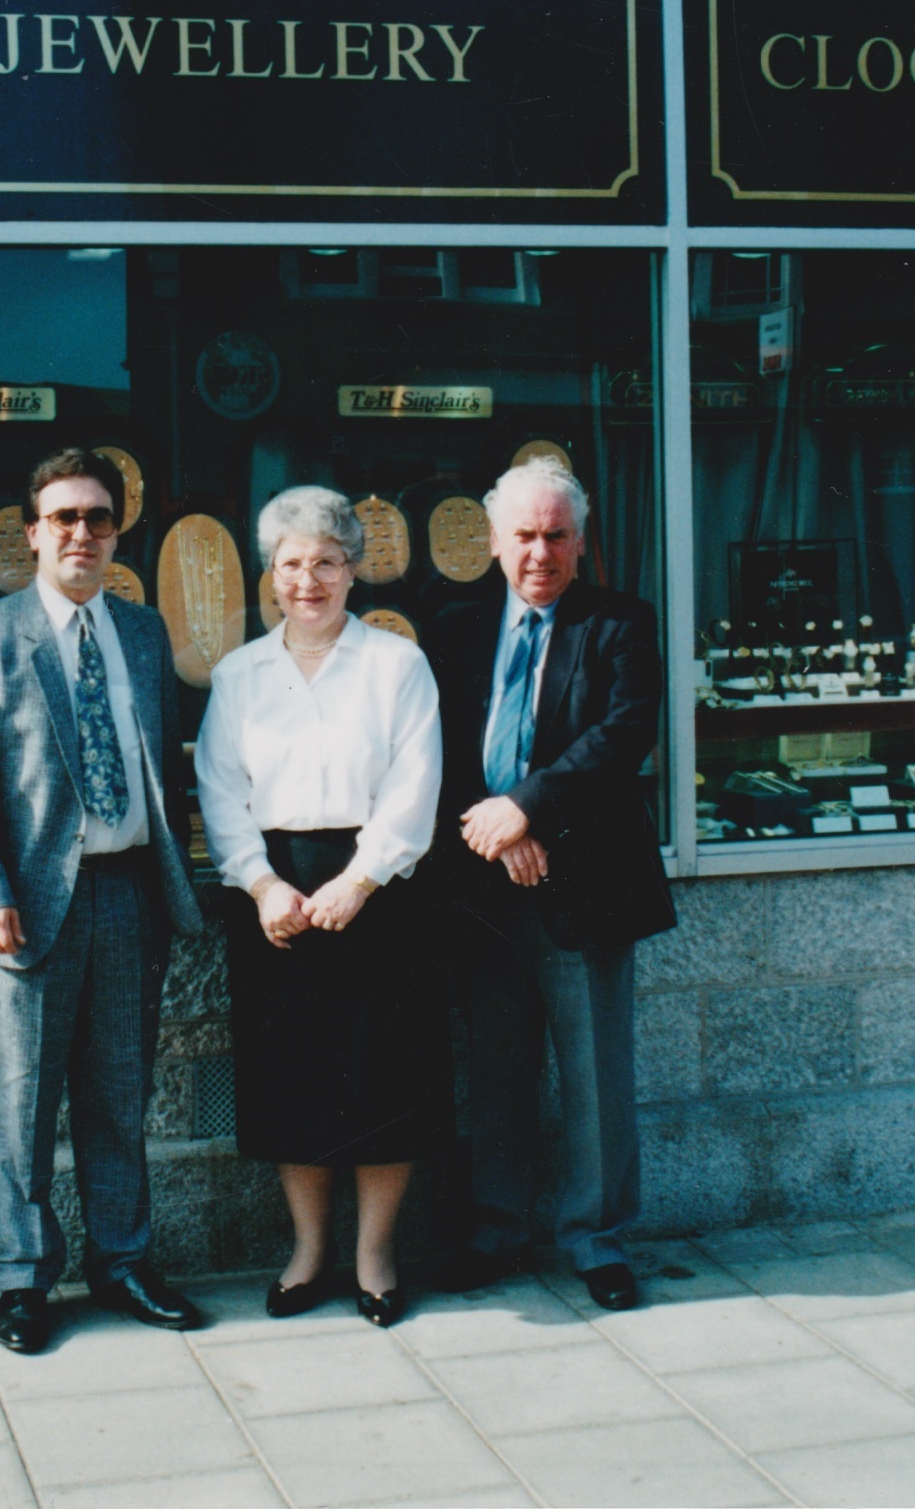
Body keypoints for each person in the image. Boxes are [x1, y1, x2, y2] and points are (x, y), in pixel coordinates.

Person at [0, 447, 208, 1355]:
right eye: (64, 518)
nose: (82, 533)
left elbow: (163, 765)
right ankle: (24, 1281)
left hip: (129, 897)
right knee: (24, 1102)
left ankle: (123, 1263)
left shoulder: (144, 633)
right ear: (33, 533)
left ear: (117, 533)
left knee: (118, 1099)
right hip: (28, 910)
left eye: (98, 517)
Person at [424, 456, 676, 1312]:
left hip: (587, 884)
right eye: (524, 536)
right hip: (483, 893)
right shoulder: (454, 628)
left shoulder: (619, 624)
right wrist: (497, 832)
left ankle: (596, 1240)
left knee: (596, 1072)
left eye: (556, 536)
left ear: (580, 541)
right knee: (498, 1070)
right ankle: (496, 1231)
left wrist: (527, 810)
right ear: (494, 543)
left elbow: (622, 735)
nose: (540, 553)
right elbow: (435, 751)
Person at [195, 486, 444, 1328]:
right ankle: (308, 1253)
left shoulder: (396, 665)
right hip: (275, 895)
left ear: (353, 570)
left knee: (384, 1079)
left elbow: (416, 786)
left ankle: (375, 1256)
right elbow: (220, 792)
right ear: (271, 575)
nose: (309, 580)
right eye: (293, 564)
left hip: (379, 891)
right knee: (290, 1084)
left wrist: (361, 879)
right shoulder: (238, 675)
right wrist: (263, 884)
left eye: (327, 563)